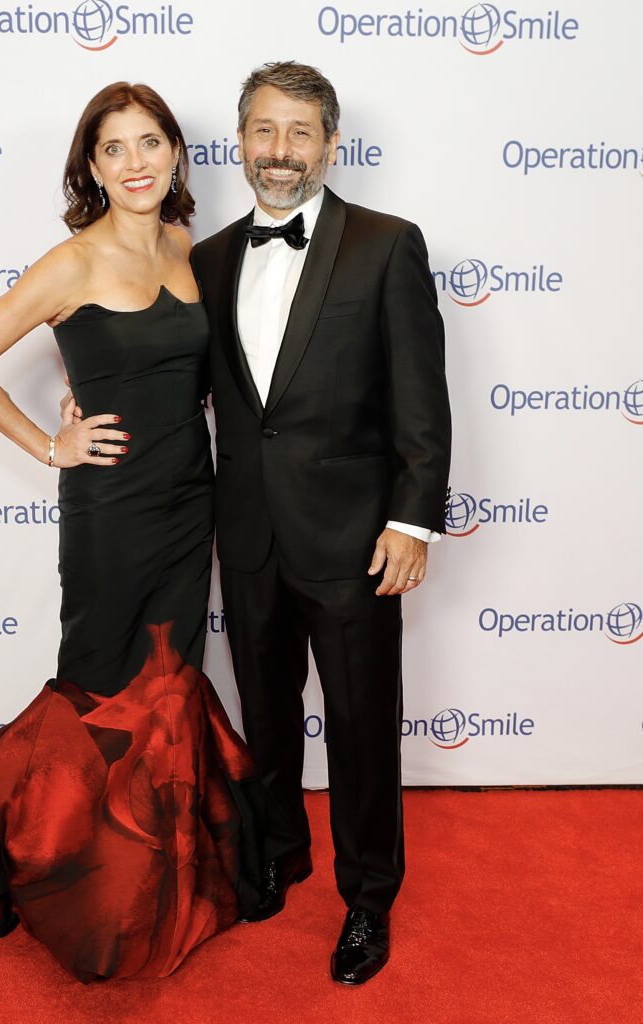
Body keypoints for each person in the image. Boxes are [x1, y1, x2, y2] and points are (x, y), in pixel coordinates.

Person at [0, 82, 265, 983]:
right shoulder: (72, 262)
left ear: (177, 154)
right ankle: (71, 870)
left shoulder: (189, 250)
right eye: (114, 148)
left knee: (169, 682)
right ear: (90, 166)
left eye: (151, 143)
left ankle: (156, 874)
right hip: (110, 513)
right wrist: (50, 444)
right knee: (101, 685)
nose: (135, 162)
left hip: (190, 502)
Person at [191, 62, 451, 986]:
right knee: (265, 719)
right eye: (264, 131)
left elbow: (421, 401)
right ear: (240, 141)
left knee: (357, 727)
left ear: (330, 145)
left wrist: (411, 523)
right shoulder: (209, 257)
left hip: (352, 541)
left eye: (300, 133)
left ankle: (367, 899)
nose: (280, 152)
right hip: (249, 533)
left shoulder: (385, 245)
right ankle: (279, 855)